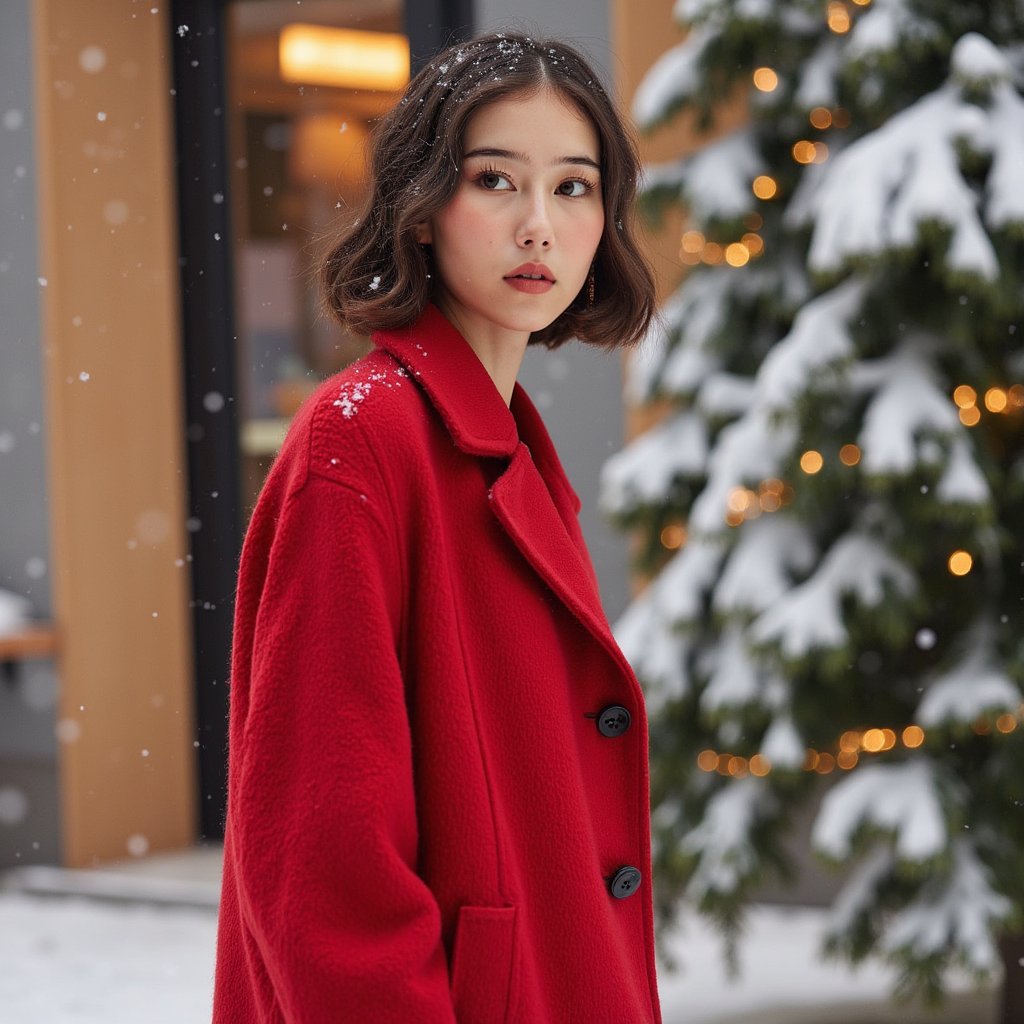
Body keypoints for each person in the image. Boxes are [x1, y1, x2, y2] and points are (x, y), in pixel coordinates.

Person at [213, 30, 661, 1024]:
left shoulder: (507, 444)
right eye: (495, 179)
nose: (538, 225)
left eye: (574, 186)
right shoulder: (360, 444)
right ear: (421, 210)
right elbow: (324, 868)